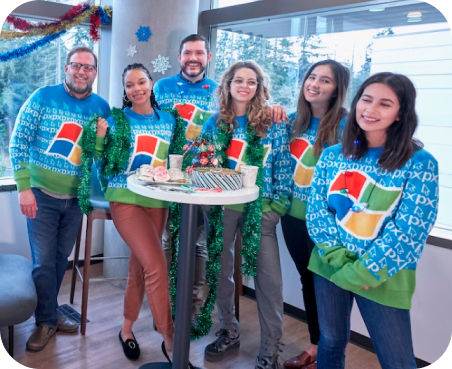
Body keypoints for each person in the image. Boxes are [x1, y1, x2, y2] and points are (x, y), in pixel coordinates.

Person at [306, 72, 439, 369]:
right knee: (330, 341)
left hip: (382, 275)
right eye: (366, 100)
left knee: (397, 360)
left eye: (384, 104)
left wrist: (362, 272)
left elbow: (410, 231)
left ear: (400, 113)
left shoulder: (419, 162)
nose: (370, 109)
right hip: (329, 265)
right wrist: (339, 260)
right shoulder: (332, 156)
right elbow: (317, 212)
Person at [153, 34, 288, 323]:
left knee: (206, 251)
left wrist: (276, 207)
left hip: (238, 200)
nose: (192, 57)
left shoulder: (225, 95)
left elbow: (277, 154)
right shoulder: (164, 89)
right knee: (171, 243)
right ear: (179, 56)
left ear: (208, 57)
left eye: (199, 52)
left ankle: (195, 307)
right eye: (187, 51)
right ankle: (168, 308)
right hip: (180, 180)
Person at [9, 46, 110, 352]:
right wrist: (24, 188)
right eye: (76, 66)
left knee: (58, 261)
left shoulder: (101, 107)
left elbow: (99, 158)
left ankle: (49, 315)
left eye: (88, 67)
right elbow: (18, 142)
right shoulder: (42, 97)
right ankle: (46, 322)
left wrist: (103, 140)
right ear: (66, 68)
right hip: (41, 195)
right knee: (42, 262)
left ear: (94, 72)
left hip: (75, 199)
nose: (82, 72)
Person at [200, 61, 292, 369]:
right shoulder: (215, 124)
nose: (244, 86)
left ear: (259, 88)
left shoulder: (274, 123)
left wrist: (276, 208)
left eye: (251, 82)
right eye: (238, 80)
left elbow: (283, 168)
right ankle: (229, 329)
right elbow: (204, 166)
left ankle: (271, 348)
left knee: (270, 281)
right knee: (221, 270)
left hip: (261, 210)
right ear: (227, 85)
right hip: (223, 208)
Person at [95, 63, 177, 362]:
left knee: (139, 267)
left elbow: (173, 160)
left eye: (141, 82)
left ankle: (126, 329)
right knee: (156, 265)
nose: (136, 89)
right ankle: (170, 339)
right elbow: (100, 160)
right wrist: (101, 137)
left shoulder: (168, 121)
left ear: (151, 84)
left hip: (158, 200)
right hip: (125, 198)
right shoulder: (115, 121)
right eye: (130, 85)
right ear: (125, 91)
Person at [282, 60, 350, 369]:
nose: (315, 84)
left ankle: (328, 352)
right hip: (293, 217)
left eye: (325, 80)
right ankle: (316, 346)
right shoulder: (295, 121)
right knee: (307, 280)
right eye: (312, 77)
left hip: (327, 224)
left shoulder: (348, 126)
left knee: (328, 288)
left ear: (337, 90)